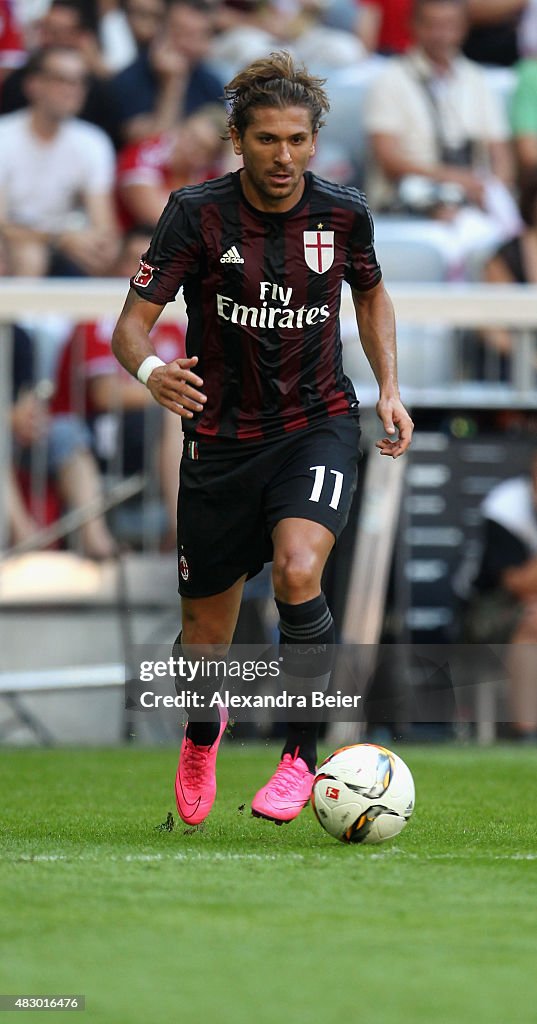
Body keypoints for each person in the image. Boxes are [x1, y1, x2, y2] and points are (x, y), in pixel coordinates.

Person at [111, 51, 413, 827]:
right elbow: (130, 327)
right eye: (267, 140)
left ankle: (298, 754)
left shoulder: (343, 213)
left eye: (296, 140)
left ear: (314, 141)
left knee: (297, 568)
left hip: (315, 423)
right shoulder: (195, 212)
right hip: (219, 439)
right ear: (237, 140)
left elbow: (372, 296)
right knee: (204, 635)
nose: (283, 156)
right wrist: (151, 372)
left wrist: (388, 389)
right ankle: (203, 734)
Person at [364, 0, 521, 275]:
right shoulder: (390, 79)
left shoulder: (477, 80)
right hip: (408, 202)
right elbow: (388, 159)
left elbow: (500, 154)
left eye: (449, 26)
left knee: (503, 241)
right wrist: (456, 180)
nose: (441, 34)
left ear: (463, 28)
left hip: (471, 203)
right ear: (414, 27)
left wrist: (495, 190)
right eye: (432, 25)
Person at [0, 44, 118, 276]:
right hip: (14, 247)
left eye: (79, 82)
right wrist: (58, 238)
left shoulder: (93, 142)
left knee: (113, 255)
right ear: (33, 85)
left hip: (68, 245)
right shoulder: (4, 136)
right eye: (62, 80)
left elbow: (104, 224)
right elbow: (2, 224)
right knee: (29, 255)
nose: (72, 90)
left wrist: (100, 246)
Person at [466, 450, 537, 740]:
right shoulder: (507, 506)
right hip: (489, 609)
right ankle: (528, 736)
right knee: (533, 620)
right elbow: (517, 584)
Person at [106, 0, 223, 145]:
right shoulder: (127, 81)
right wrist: (173, 84)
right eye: (181, 32)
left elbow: (221, 144)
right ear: (161, 30)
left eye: (199, 36)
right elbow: (151, 146)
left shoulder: (211, 84)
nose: (188, 44)